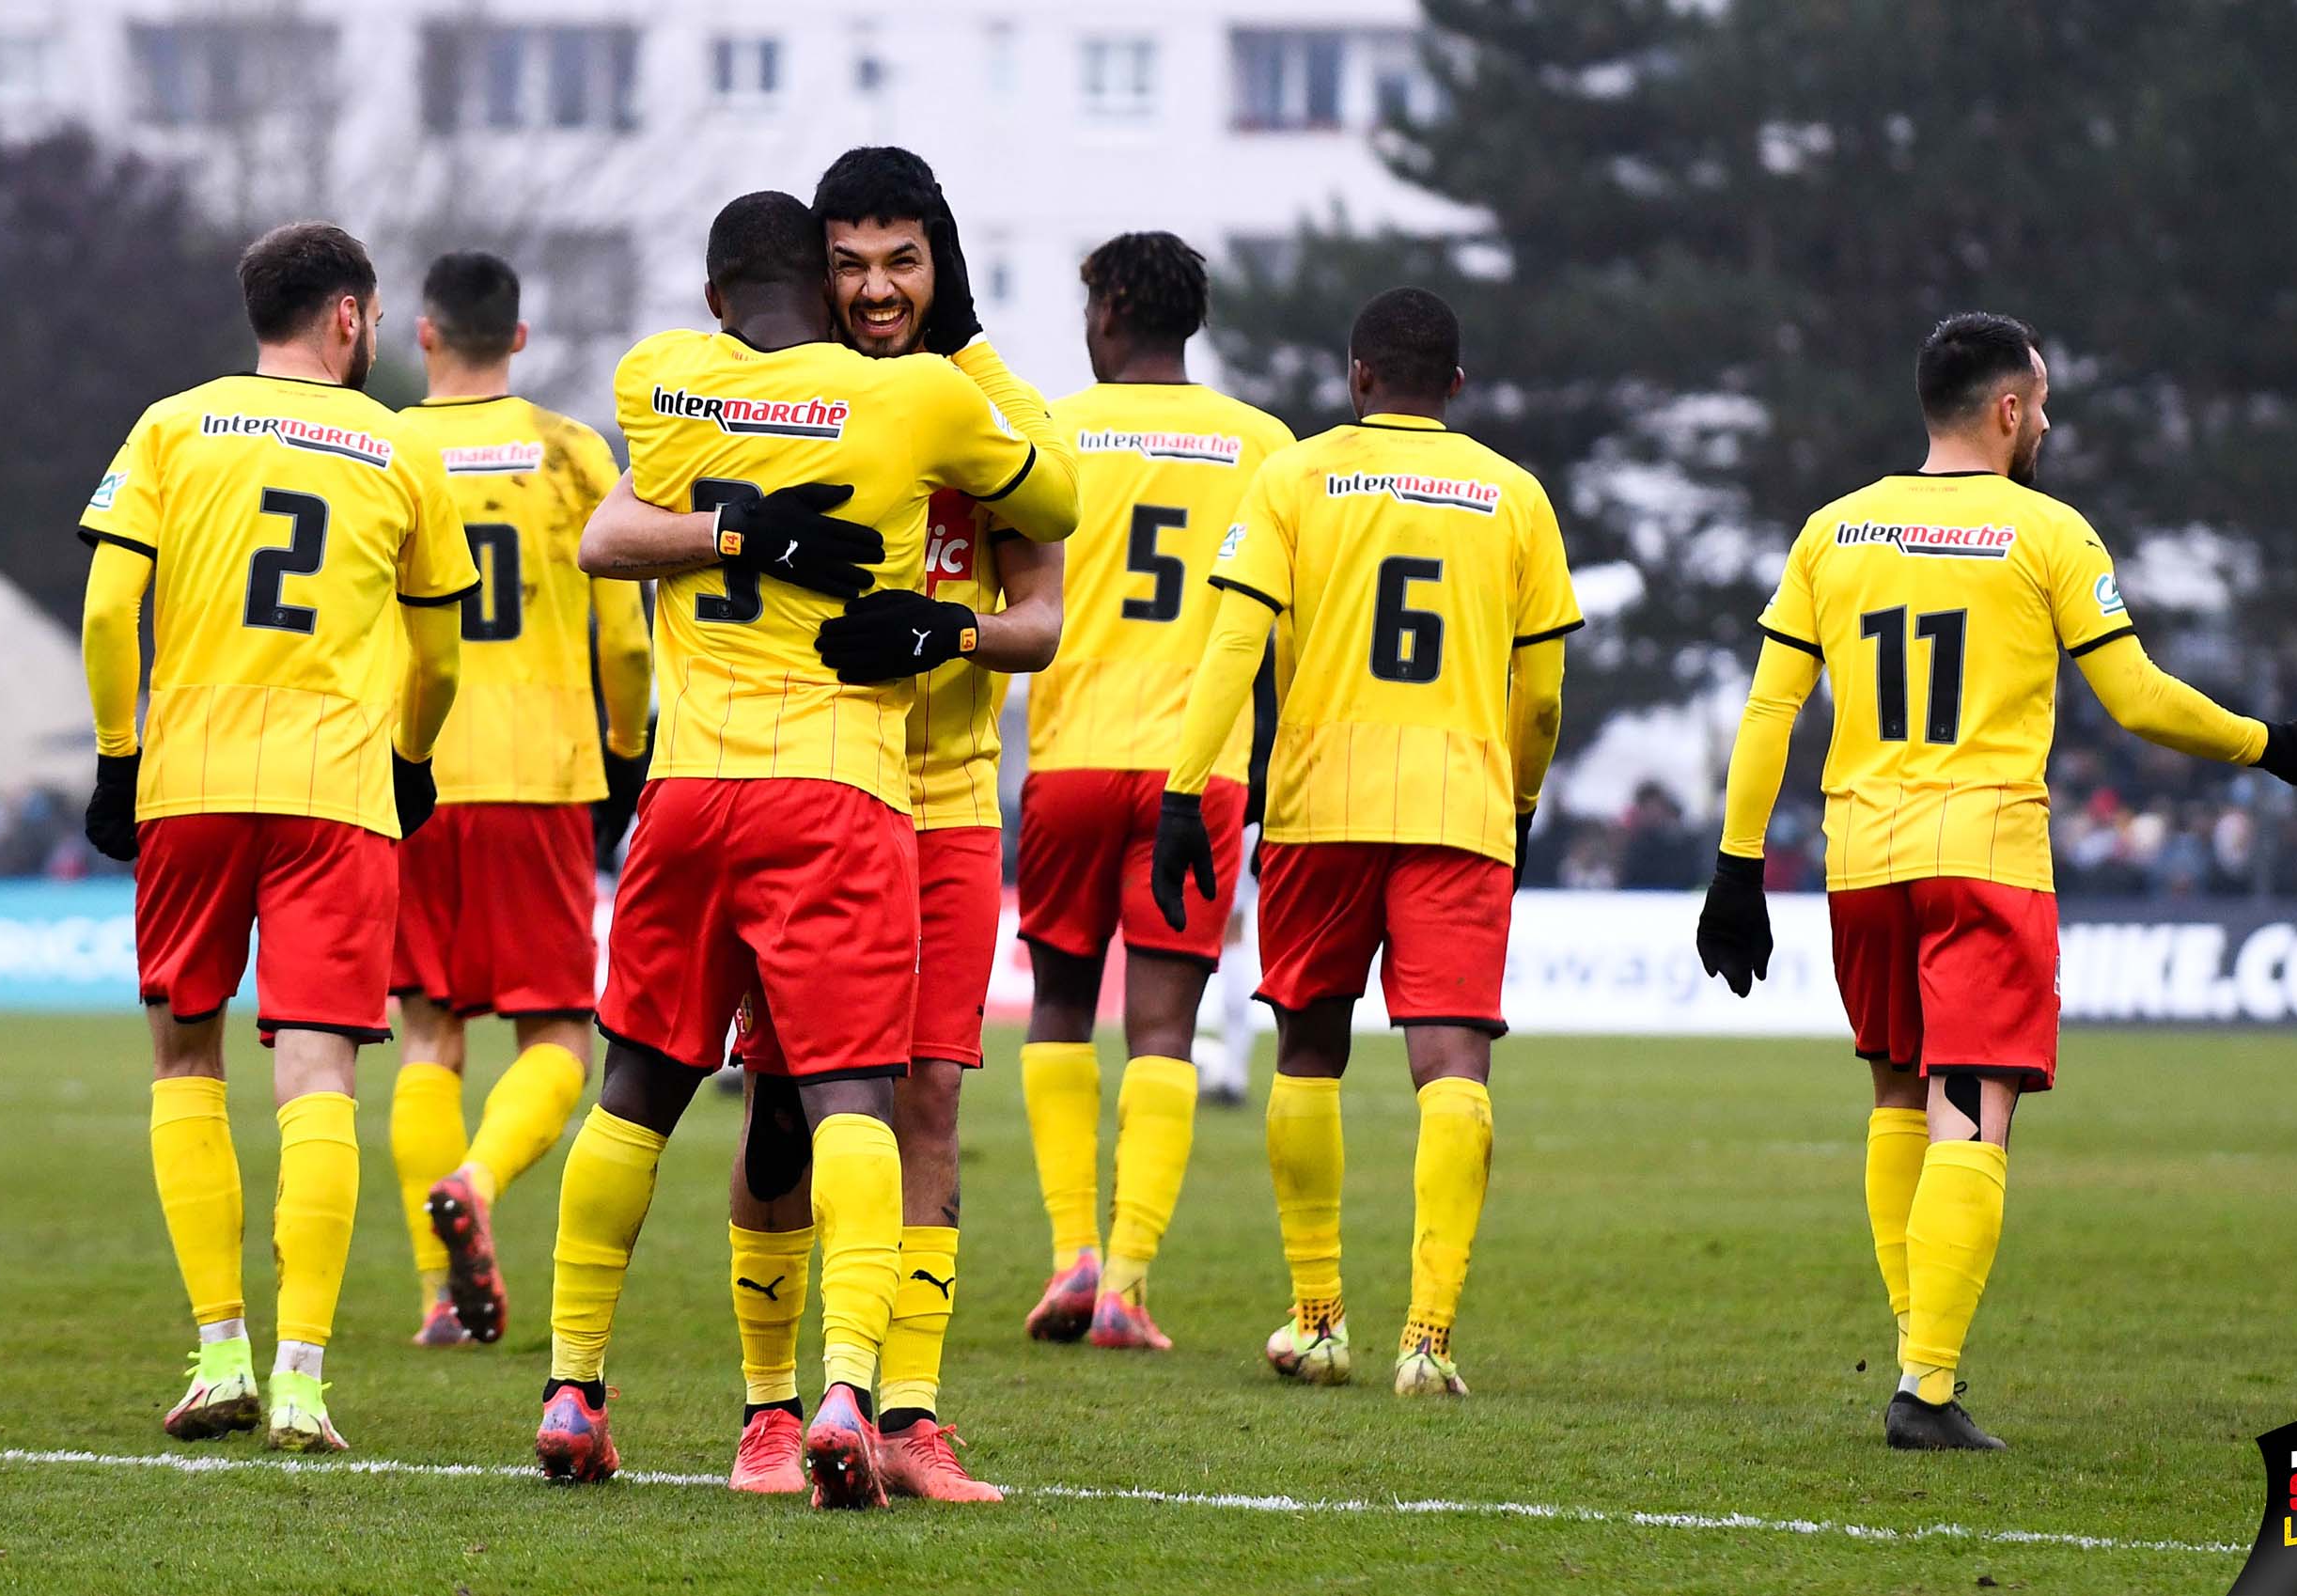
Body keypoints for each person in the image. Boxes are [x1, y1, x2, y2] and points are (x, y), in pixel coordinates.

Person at [1696, 312, 2297, 1451]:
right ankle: (1922, 1387)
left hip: (1860, 861)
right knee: (1970, 1116)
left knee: (1891, 1098)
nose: (2050, 422)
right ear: (2008, 410)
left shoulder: (1832, 529)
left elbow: (1771, 707)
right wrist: (2274, 746)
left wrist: (1733, 865)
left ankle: (1921, 1350)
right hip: (1982, 862)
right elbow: (2139, 698)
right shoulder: (2045, 532)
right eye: (2044, 402)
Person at [535, 190, 1077, 1509]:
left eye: (903, 264)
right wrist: (756, 526)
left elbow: (1046, 596)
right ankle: (790, 1405)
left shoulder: (680, 377)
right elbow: (1054, 482)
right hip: (846, 791)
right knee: (811, 1106)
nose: (879, 287)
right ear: (816, 279)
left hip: (898, 797)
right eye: (852, 266)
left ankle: (896, 1413)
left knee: (856, 1093)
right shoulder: (908, 405)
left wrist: (941, 630)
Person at [78, 221, 477, 1452]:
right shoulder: (401, 447)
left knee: (184, 1057)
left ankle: (217, 1357)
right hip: (337, 788)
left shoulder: (172, 422)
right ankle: (302, 1381)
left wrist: (114, 752)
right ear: (350, 319)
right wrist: (410, 763)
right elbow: (440, 652)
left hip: (191, 773)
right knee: (320, 1076)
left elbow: (107, 605)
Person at [1152, 287, 1580, 1399]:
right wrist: (1520, 804)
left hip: (1316, 804)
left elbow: (1231, 648)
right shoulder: (1514, 495)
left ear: (1353, 377)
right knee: (1451, 1065)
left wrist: (1183, 793)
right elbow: (1540, 695)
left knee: (1306, 1053)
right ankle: (1427, 1341)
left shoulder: (1293, 475)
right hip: (1459, 807)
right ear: (1453, 387)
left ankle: (1318, 1320)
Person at [1012, 230, 1295, 1350]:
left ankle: (1068, 1253)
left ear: (1118, 307)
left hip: (1074, 758)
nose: (1083, 327)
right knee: (1165, 1028)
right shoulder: (1263, 446)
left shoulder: (1051, 434)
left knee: (1060, 1007)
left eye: (1089, 305)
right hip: (1200, 772)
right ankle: (1127, 1282)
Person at [381, 250, 652, 1350]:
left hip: (410, 771)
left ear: (426, 336)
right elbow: (626, 636)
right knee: (556, 1035)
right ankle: (481, 1180)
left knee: (424, 1034)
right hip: (542, 769)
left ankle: (438, 1299)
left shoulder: (384, 447)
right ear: (522, 339)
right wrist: (625, 757)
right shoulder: (571, 450)